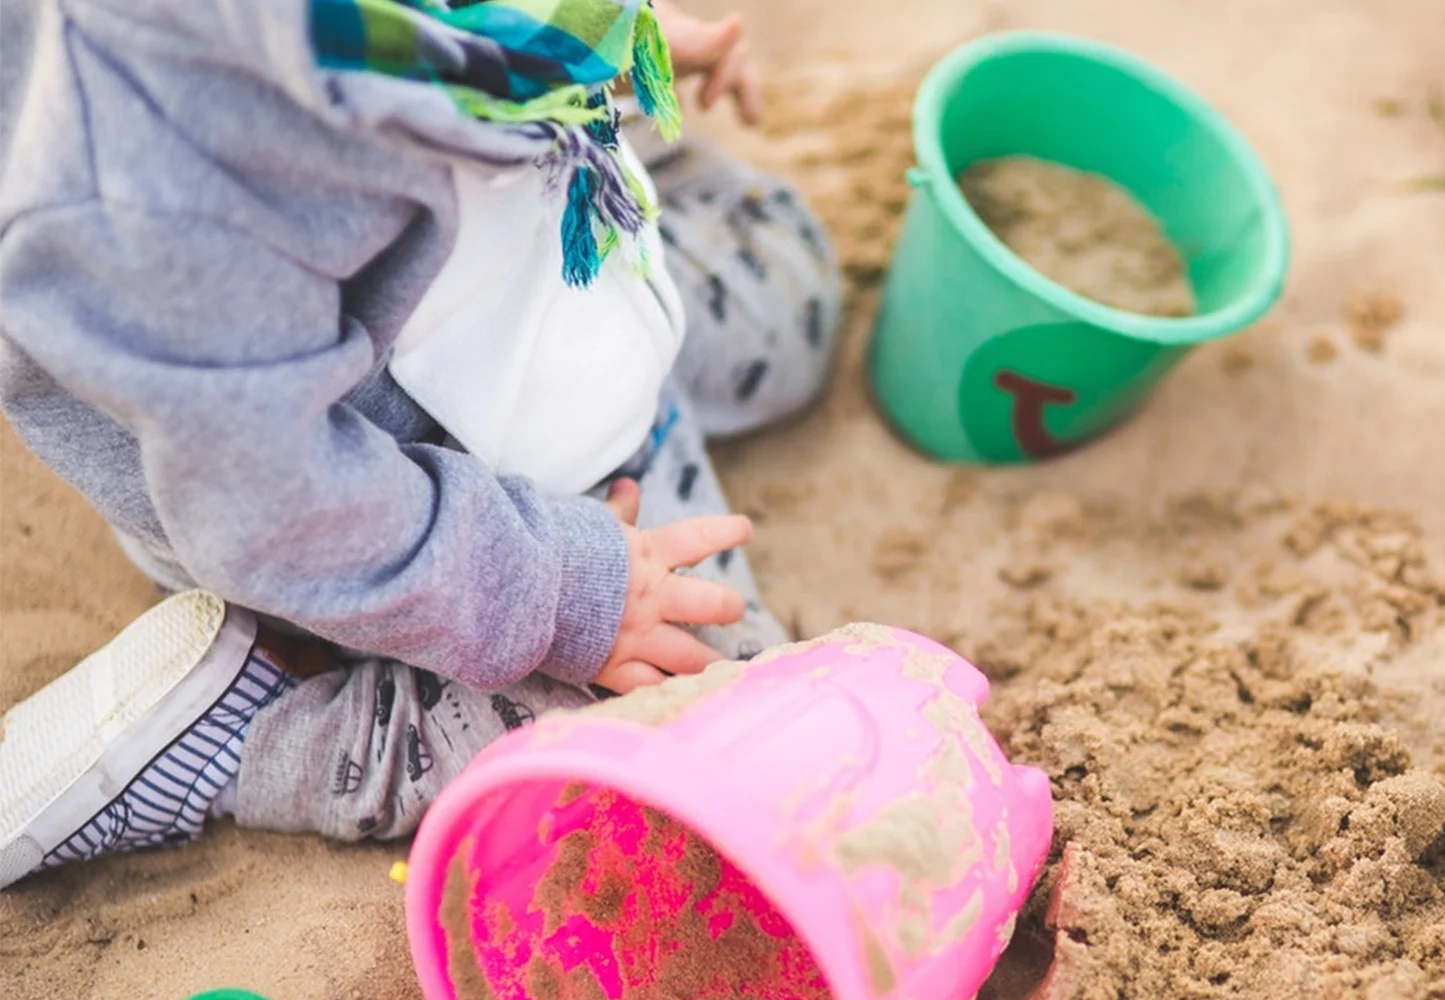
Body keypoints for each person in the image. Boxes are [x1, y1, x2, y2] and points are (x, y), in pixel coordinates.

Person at [0, 0, 842, 888]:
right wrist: (564, 595)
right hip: (410, 511)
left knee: (793, 292)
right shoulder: (146, 178)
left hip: (543, 282)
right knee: (732, 716)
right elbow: (282, 514)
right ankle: (264, 723)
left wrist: (593, 44)